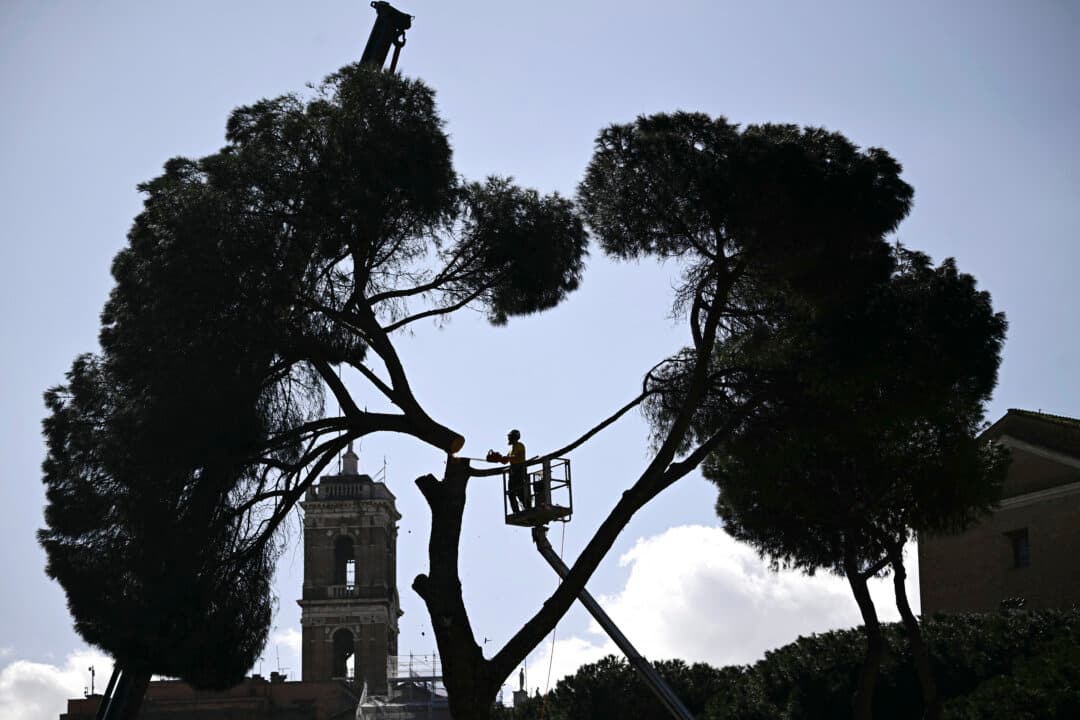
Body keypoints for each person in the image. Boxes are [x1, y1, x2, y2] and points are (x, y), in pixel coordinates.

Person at [501, 429, 528, 513]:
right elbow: (505, 461)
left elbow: (517, 457)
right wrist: (498, 458)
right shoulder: (511, 450)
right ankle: (516, 511)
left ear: (514, 438)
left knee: (520, 493)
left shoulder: (520, 445)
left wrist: (507, 458)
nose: (508, 439)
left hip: (519, 472)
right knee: (511, 493)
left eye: (510, 437)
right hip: (513, 473)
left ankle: (527, 508)